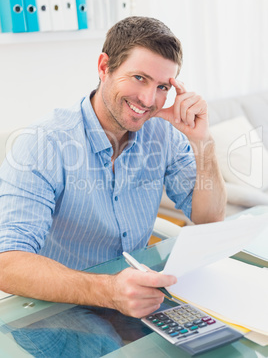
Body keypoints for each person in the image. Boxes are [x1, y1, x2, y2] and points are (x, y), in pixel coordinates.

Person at [0, 16, 226, 318]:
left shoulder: (163, 133)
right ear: (104, 67)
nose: (148, 100)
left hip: (140, 300)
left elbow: (210, 218)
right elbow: (7, 262)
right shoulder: (43, 144)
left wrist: (203, 141)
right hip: (61, 309)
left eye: (162, 86)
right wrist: (108, 291)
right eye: (139, 78)